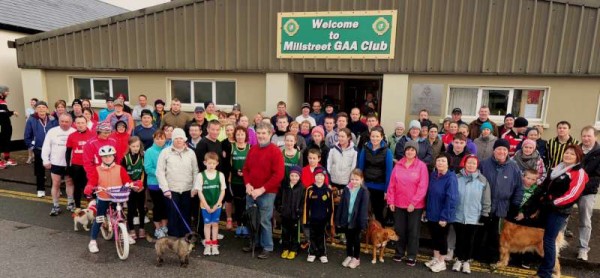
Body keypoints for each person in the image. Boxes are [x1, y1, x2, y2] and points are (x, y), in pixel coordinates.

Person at [522, 145, 588, 278]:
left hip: (559, 211)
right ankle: (545, 270)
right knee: (543, 239)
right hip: (547, 208)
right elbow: (544, 186)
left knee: (549, 240)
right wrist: (532, 205)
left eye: (572, 154)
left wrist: (552, 203)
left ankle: (546, 273)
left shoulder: (579, 173)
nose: (568, 155)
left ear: (578, 157)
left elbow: (572, 195)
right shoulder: (559, 168)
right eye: (567, 153)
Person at [478, 138, 523, 269]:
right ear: (494, 150)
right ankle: (479, 256)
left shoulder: (514, 167)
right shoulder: (484, 164)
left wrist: (515, 205)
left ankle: (493, 258)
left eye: (504, 149)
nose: (502, 152)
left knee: (496, 235)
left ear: (508, 152)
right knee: (481, 232)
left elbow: (519, 188)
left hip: (503, 207)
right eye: (499, 149)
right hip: (485, 206)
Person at [242, 122, 285, 259]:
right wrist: (248, 184)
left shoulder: (275, 151)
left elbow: (278, 175)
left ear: (270, 134)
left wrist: (261, 189)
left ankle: (267, 246)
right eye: (258, 133)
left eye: (263, 133)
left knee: (264, 220)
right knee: (251, 218)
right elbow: (246, 169)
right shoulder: (253, 149)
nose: (261, 136)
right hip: (251, 191)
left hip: (267, 192)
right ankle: (255, 242)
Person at [83, 145, 136, 253]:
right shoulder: (97, 169)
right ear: (101, 157)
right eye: (104, 156)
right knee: (99, 218)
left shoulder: (120, 168)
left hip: (117, 197)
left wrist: (134, 184)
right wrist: (90, 187)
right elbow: (92, 181)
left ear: (114, 156)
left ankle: (123, 233)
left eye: (110, 155)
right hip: (103, 197)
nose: (107, 158)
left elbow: (127, 180)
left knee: (121, 216)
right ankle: (93, 241)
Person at [387, 140, 429, 266]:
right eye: (408, 149)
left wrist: (414, 203)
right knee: (400, 230)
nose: (410, 152)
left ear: (416, 152)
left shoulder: (421, 166)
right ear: (404, 151)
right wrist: (391, 201)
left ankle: (411, 255)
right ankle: (399, 252)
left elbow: (423, 186)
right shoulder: (398, 165)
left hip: (414, 206)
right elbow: (392, 185)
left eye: (412, 150)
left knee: (413, 231)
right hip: (399, 203)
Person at [156, 128, 199, 237]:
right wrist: (165, 188)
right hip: (171, 190)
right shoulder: (165, 152)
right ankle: (173, 238)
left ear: (184, 139)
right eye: (176, 138)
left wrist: (194, 188)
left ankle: (185, 238)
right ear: (172, 139)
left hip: (187, 189)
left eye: (181, 138)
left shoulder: (191, 153)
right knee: (173, 214)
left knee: (186, 214)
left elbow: (195, 171)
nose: (179, 140)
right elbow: (160, 172)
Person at [452, 155, 491, 274]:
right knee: (459, 238)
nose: (471, 165)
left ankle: (467, 261)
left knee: (470, 239)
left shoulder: (483, 180)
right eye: (469, 163)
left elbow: (486, 198)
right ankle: (458, 259)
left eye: (474, 163)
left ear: (477, 165)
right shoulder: (457, 177)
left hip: (474, 215)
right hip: (458, 214)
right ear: (464, 163)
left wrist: (485, 212)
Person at [425, 153, 458, 273]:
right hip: (432, 212)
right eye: (438, 160)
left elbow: (451, 199)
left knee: (441, 238)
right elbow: (429, 194)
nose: (440, 163)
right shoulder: (433, 175)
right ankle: (436, 258)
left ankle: (442, 262)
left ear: (448, 163)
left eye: (443, 161)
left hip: (443, 215)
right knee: (434, 237)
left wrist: (444, 217)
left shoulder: (451, 177)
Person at [192, 152, 226, 256]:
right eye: (209, 163)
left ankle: (214, 244)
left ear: (217, 164)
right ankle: (207, 244)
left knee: (215, 224)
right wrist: (206, 205)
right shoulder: (200, 175)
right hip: (205, 206)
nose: (211, 165)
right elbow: (199, 192)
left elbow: (222, 191)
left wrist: (217, 204)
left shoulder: (220, 175)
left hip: (217, 205)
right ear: (205, 163)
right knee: (207, 224)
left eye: (213, 163)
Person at [357, 126, 393, 224]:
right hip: (366, 186)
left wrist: (386, 190)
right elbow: (360, 168)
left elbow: (389, 172)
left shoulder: (387, 152)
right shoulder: (365, 149)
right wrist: (360, 184)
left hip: (380, 187)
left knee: (378, 214)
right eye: (373, 136)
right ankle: (365, 234)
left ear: (382, 137)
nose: (375, 139)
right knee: (364, 212)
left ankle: (380, 236)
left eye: (377, 136)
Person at [334, 169, 369, 269]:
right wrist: (338, 219)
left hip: (356, 220)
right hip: (347, 219)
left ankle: (356, 258)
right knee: (348, 239)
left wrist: (362, 223)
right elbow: (341, 205)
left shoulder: (364, 192)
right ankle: (349, 256)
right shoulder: (346, 189)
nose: (354, 181)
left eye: (357, 179)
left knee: (356, 239)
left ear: (361, 180)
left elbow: (363, 209)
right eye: (352, 179)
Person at [42, 114, 76, 215]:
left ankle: (70, 203)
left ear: (71, 122)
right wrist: (45, 160)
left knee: (69, 183)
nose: (64, 124)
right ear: (59, 121)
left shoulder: (74, 132)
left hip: (70, 164)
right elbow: (46, 146)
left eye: (67, 122)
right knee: (56, 184)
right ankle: (56, 205)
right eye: (62, 121)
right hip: (56, 163)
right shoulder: (52, 131)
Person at [24, 101, 58, 197]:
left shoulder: (52, 119)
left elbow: (57, 133)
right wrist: (31, 147)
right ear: (36, 109)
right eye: (39, 107)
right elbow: (27, 135)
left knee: (54, 170)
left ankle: (54, 188)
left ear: (47, 109)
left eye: (43, 107)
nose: (41, 109)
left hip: (52, 149)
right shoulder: (31, 119)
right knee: (39, 170)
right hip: (38, 149)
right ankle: (40, 189)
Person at [302, 166, 334, 264]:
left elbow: (331, 207)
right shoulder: (310, 189)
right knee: (312, 236)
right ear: (314, 177)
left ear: (324, 177)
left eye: (321, 176)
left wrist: (330, 221)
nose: (319, 178)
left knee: (321, 236)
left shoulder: (328, 190)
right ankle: (312, 253)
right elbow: (306, 205)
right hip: (313, 218)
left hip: (323, 219)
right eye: (317, 176)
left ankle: (322, 254)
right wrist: (305, 219)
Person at [577, 126, 600, 261]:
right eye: (584, 136)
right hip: (571, 190)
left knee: (585, 220)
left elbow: (597, 176)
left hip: (588, 191)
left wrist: (580, 186)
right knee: (563, 217)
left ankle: (583, 249)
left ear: (595, 137)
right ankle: (557, 246)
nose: (586, 138)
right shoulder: (576, 149)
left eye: (589, 136)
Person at [144, 130, 169, 238]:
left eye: (162, 138)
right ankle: (158, 228)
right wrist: (161, 174)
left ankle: (164, 226)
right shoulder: (149, 151)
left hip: (167, 184)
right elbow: (148, 168)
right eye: (157, 138)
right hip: (154, 183)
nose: (160, 140)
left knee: (165, 206)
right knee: (157, 207)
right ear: (154, 138)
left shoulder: (168, 150)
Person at [66, 116, 95, 208]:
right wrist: (68, 166)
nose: (80, 125)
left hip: (89, 166)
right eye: (78, 123)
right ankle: (77, 206)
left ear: (86, 123)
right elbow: (68, 152)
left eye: (82, 123)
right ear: (75, 124)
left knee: (89, 186)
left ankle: (91, 207)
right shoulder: (71, 136)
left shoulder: (93, 135)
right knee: (77, 187)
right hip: (76, 165)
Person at [122, 136, 147, 241]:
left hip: (140, 187)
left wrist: (142, 186)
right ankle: (131, 229)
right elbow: (123, 174)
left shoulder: (143, 156)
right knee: (131, 209)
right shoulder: (125, 158)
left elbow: (144, 173)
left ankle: (141, 228)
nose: (136, 148)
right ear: (129, 146)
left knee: (141, 208)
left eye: (137, 146)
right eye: (133, 146)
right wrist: (131, 186)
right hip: (130, 187)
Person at [279, 165, 305, 260]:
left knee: (295, 233)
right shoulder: (284, 186)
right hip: (285, 213)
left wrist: (300, 211)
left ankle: (294, 249)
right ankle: (285, 248)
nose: (294, 178)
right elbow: (279, 198)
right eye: (292, 175)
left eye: (296, 176)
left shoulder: (302, 187)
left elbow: (303, 202)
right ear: (289, 175)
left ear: (299, 176)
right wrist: (280, 208)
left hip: (295, 215)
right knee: (285, 232)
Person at [230, 126, 250, 230]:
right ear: (235, 136)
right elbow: (228, 164)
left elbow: (252, 165)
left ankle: (246, 225)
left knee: (246, 203)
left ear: (246, 135)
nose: (240, 136)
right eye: (238, 134)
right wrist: (235, 172)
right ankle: (238, 226)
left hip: (247, 181)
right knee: (237, 204)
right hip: (235, 180)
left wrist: (246, 173)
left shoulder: (250, 147)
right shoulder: (232, 147)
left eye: (242, 134)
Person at [0, 86, 19, 169]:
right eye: (7, 91)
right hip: (1, 126)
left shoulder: (3, 101)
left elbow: (5, 112)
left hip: (6, 125)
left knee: (6, 142)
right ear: (2, 92)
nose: (8, 93)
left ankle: (7, 159)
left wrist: (11, 112)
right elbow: (3, 113)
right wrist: (13, 112)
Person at [25, 97, 38, 164]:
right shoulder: (28, 109)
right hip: (29, 128)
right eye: (31, 102)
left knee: (35, 142)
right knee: (30, 142)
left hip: (36, 128)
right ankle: (30, 156)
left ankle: (35, 156)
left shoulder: (38, 109)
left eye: (33, 102)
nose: (32, 103)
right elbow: (28, 116)